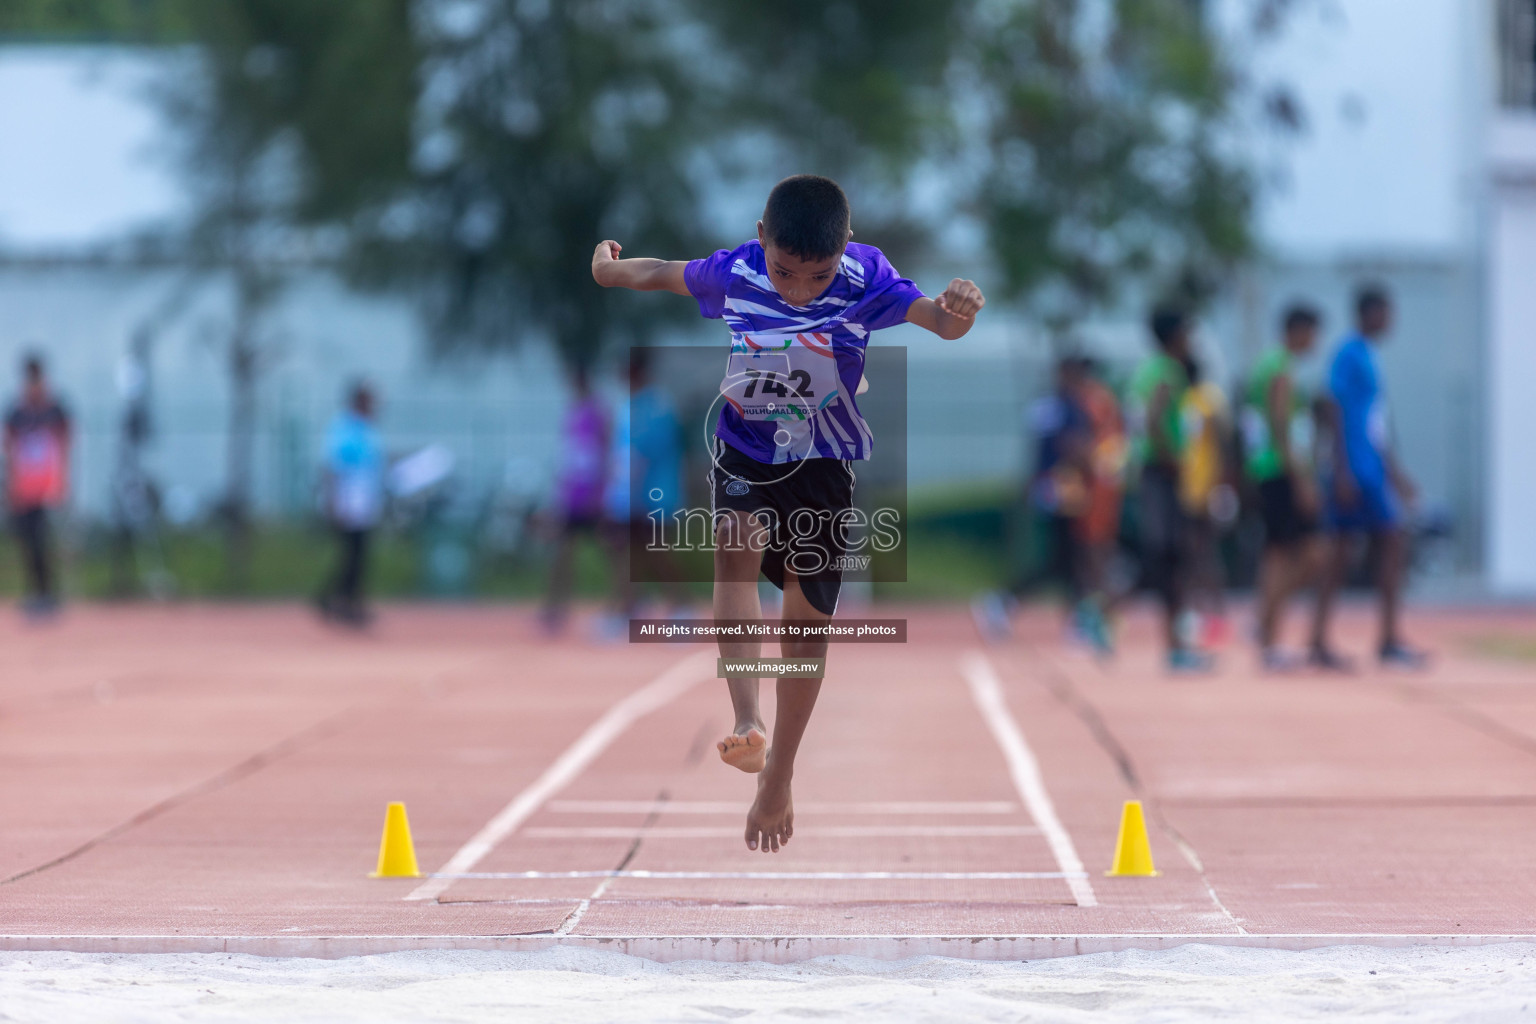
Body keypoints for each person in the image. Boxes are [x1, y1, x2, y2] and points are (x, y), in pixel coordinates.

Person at [592, 173, 985, 852]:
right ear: (760, 240)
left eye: (817, 275)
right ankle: (748, 720)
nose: (800, 289)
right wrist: (606, 269)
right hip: (744, 447)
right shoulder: (737, 272)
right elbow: (659, 271)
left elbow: (938, 322)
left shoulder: (866, 280)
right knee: (735, 561)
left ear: (847, 250)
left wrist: (960, 309)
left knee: (804, 624)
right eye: (785, 271)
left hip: (824, 467)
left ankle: (780, 772)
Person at [1313, 284, 1427, 668]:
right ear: (1367, 313)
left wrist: (1395, 471)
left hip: (1371, 467)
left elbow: (1375, 423)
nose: (1390, 321)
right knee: (1368, 547)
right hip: (1356, 469)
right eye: (1385, 313)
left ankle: (1379, 637)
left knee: (1364, 547)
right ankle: (1379, 638)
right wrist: (1341, 467)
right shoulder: (1348, 353)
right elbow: (1332, 405)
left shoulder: (1369, 356)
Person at [1242, 304, 1331, 671]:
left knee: (1279, 555)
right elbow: (1280, 427)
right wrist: (1301, 480)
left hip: (1269, 470)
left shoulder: (1269, 365)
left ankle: (1266, 625)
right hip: (1280, 471)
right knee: (1301, 555)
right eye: (1313, 334)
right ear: (1298, 330)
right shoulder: (1280, 369)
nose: (1315, 342)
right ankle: (1267, 629)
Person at [1128, 306, 1211, 672]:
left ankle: (1177, 640)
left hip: (1150, 469)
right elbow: (1155, 416)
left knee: (1168, 555)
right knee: (1172, 555)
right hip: (1161, 471)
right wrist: (1171, 456)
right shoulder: (1170, 371)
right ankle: (1176, 644)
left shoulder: (1147, 369)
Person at [600, 348, 687, 631]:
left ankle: (681, 609)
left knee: (657, 553)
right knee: (624, 553)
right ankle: (627, 607)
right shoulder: (628, 406)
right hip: (627, 496)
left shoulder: (658, 406)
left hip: (654, 494)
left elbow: (645, 453)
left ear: (636, 371)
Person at [543, 365, 610, 632]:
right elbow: (569, 456)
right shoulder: (572, 413)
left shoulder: (597, 413)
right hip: (572, 496)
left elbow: (603, 452)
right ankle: (555, 608)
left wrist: (602, 491)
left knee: (614, 552)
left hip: (592, 494)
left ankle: (627, 602)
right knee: (562, 553)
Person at [4, 355, 70, 617]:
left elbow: (65, 445)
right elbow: (9, 449)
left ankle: (49, 592)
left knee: (45, 539)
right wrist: (11, 485)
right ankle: (35, 592)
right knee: (28, 541)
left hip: (47, 485)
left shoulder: (54, 409)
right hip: (24, 486)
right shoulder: (17, 412)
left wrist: (63, 482)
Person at [1178, 355, 1236, 649]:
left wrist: (1222, 482)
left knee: (1204, 552)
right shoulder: (1187, 399)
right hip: (1189, 486)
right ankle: (1202, 613)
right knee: (1194, 553)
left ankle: (1215, 615)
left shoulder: (1208, 399)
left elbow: (1222, 442)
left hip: (1204, 485)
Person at [317, 382, 384, 626]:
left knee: (358, 554)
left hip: (365, 502)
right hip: (348, 502)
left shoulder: (366, 429)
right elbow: (332, 467)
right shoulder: (343, 428)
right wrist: (333, 501)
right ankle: (342, 601)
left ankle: (335, 600)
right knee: (352, 554)